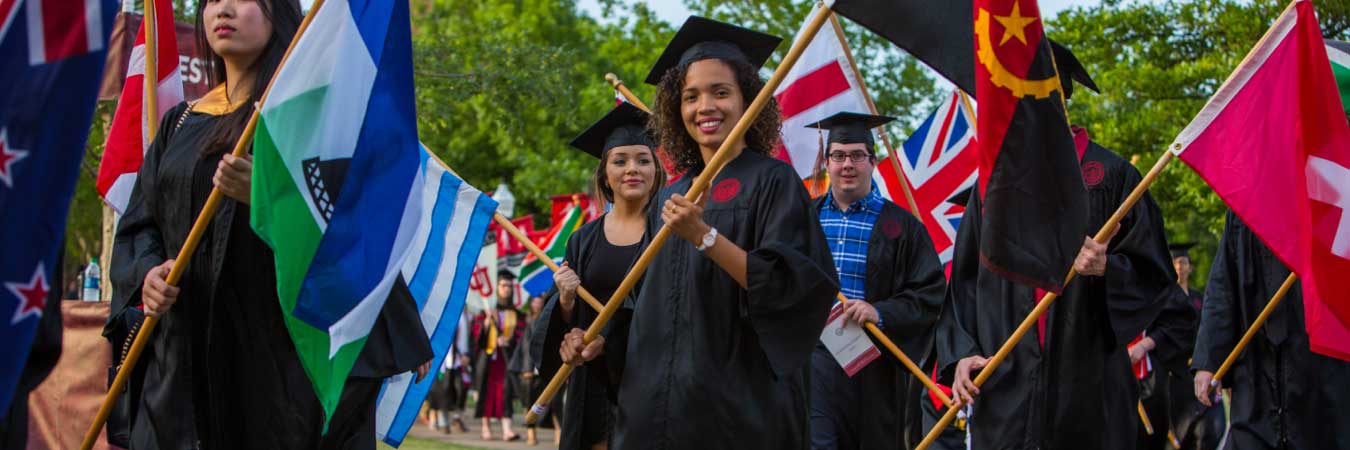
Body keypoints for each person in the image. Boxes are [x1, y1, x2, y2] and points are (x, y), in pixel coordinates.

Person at [104, 0, 430, 446]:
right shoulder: (178, 124)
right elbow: (142, 225)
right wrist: (148, 272)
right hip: (181, 361)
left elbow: (349, 229)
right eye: (213, 0)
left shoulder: (306, 122)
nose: (223, 10)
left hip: (274, 363)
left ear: (278, 13)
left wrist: (267, 197)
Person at [560, 16, 839, 450]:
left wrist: (703, 236)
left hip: (737, 409)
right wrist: (598, 342)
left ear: (750, 100)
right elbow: (642, 303)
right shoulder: (669, 194)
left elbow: (792, 287)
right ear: (676, 108)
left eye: (721, 92)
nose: (704, 106)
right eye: (690, 97)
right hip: (658, 409)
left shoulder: (773, 181)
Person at [938, 40, 1175, 450]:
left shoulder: (1114, 178)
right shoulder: (992, 187)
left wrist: (1108, 269)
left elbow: (1155, 277)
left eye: (1040, 98)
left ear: (1062, 100)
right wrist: (961, 354)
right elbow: (964, 283)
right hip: (1007, 382)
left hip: (1088, 386)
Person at [802, 111, 946, 449]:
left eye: (856, 155)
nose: (847, 164)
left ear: (873, 159)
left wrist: (879, 312)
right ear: (827, 161)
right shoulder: (801, 217)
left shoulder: (903, 228)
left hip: (873, 361)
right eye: (838, 155)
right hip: (813, 354)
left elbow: (930, 294)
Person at [531, 102, 664, 450]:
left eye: (642, 159)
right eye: (620, 161)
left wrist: (612, 337)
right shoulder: (583, 239)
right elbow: (563, 325)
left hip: (653, 383)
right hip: (592, 385)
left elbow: (677, 310)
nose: (631, 169)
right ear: (605, 173)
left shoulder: (671, 233)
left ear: (656, 170)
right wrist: (565, 302)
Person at [1191, 211, 1350, 449]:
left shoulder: (1329, 198)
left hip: (1318, 369)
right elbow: (1223, 286)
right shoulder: (1244, 209)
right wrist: (1208, 361)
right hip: (1256, 370)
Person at [472, 271, 524, 441]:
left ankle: (507, 429)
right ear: (497, 288)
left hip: (506, 359)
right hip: (488, 359)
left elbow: (520, 336)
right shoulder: (486, 312)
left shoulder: (517, 314)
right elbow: (476, 337)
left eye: (509, 286)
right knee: (487, 392)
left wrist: (508, 341)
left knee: (506, 392)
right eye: (503, 285)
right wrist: (486, 324)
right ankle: (486, 428)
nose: (507, 289)